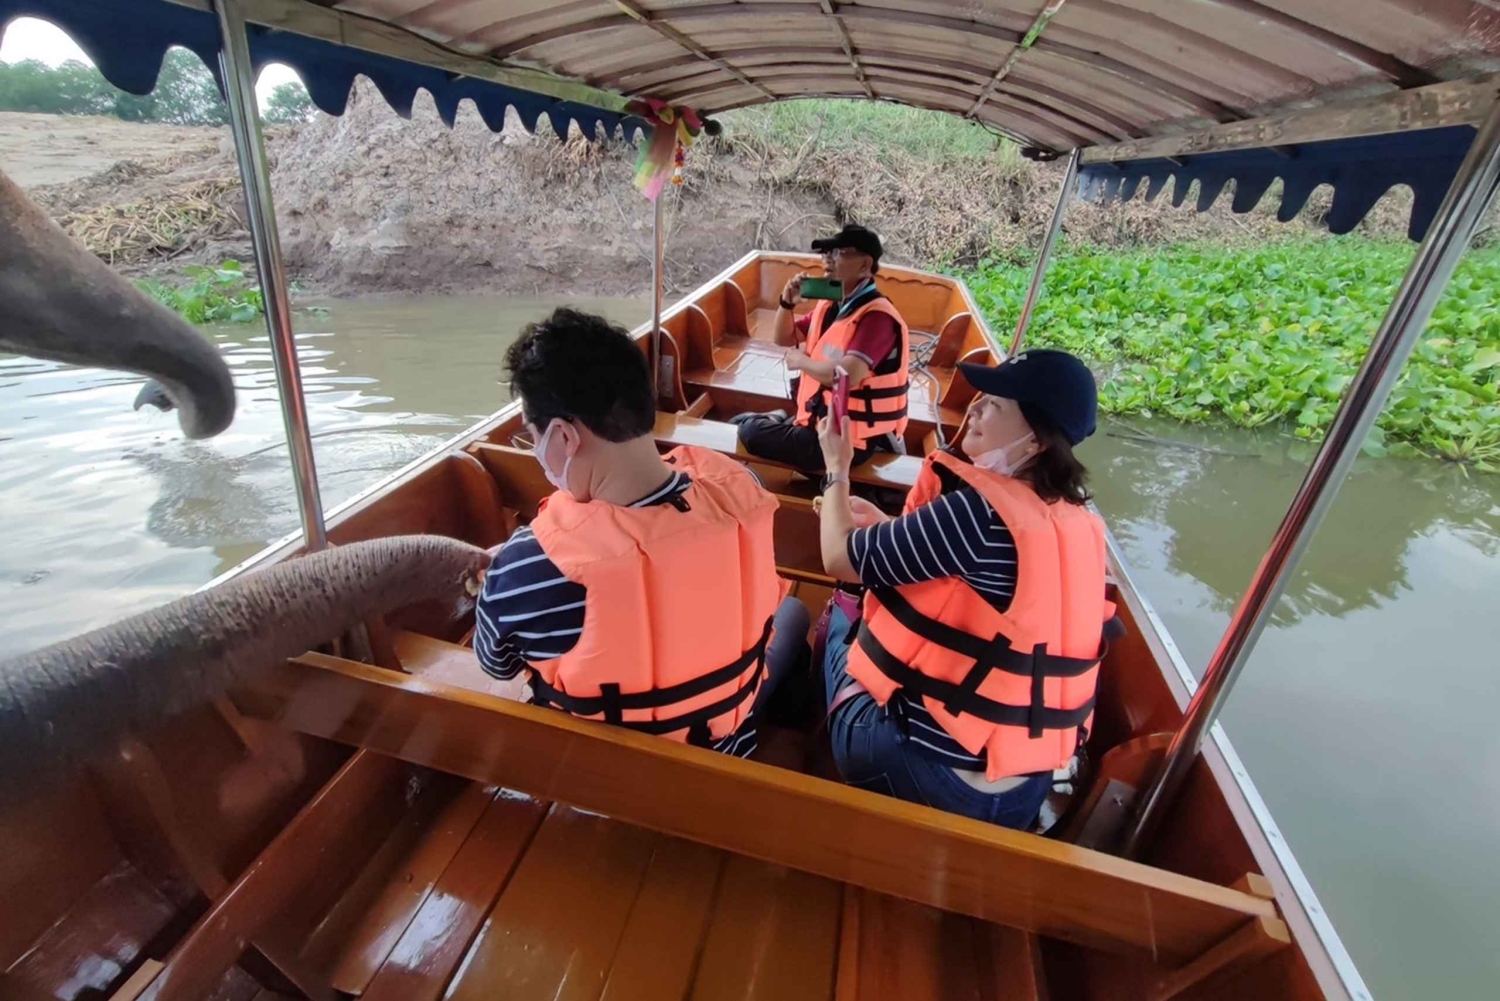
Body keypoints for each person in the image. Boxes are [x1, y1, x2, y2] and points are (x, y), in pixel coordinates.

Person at [474, 307, 809, 756]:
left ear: (565, 437)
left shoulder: (530, 563)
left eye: (533, 436)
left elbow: (496, 665)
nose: (535, 449)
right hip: (728, 756)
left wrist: (498, 580)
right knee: (793, 614)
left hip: (599, 781)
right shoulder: (743, 489)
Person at [812, 348, 1116, 829]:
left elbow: (837, 556)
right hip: (1020, 790)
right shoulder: (1078, 522)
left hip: (920, 775)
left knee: (841, 618)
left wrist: (837, 469)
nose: (973, 409)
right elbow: (998, 596)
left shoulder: (977, 513)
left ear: (1036, 440)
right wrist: (892, 529)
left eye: (995, 404)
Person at [735, 224, 910, 475]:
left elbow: (845, 376)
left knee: (750, 431)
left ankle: (772, 420)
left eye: (838, 252)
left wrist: (800, 361)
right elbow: (783, 338)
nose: (827, 259)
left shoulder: (877, 318)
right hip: (821, 423)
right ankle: (776, 419)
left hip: (850, 441)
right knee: (745, 424)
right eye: (826, 253)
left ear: (865, 265)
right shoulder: (831, 305)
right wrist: (787, 303)